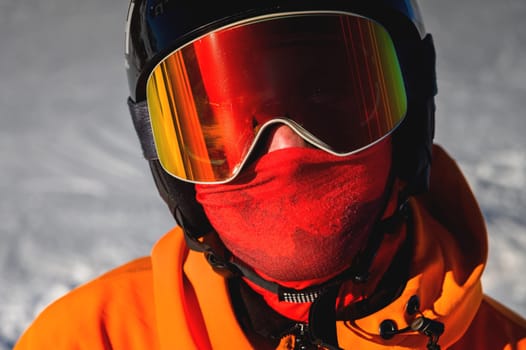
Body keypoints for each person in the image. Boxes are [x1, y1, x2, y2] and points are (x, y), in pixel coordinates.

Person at [15, 0, 526, 349]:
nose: (286, 146)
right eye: (227, 119)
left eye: (325, 98)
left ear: (408, 116)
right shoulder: (91, 338)